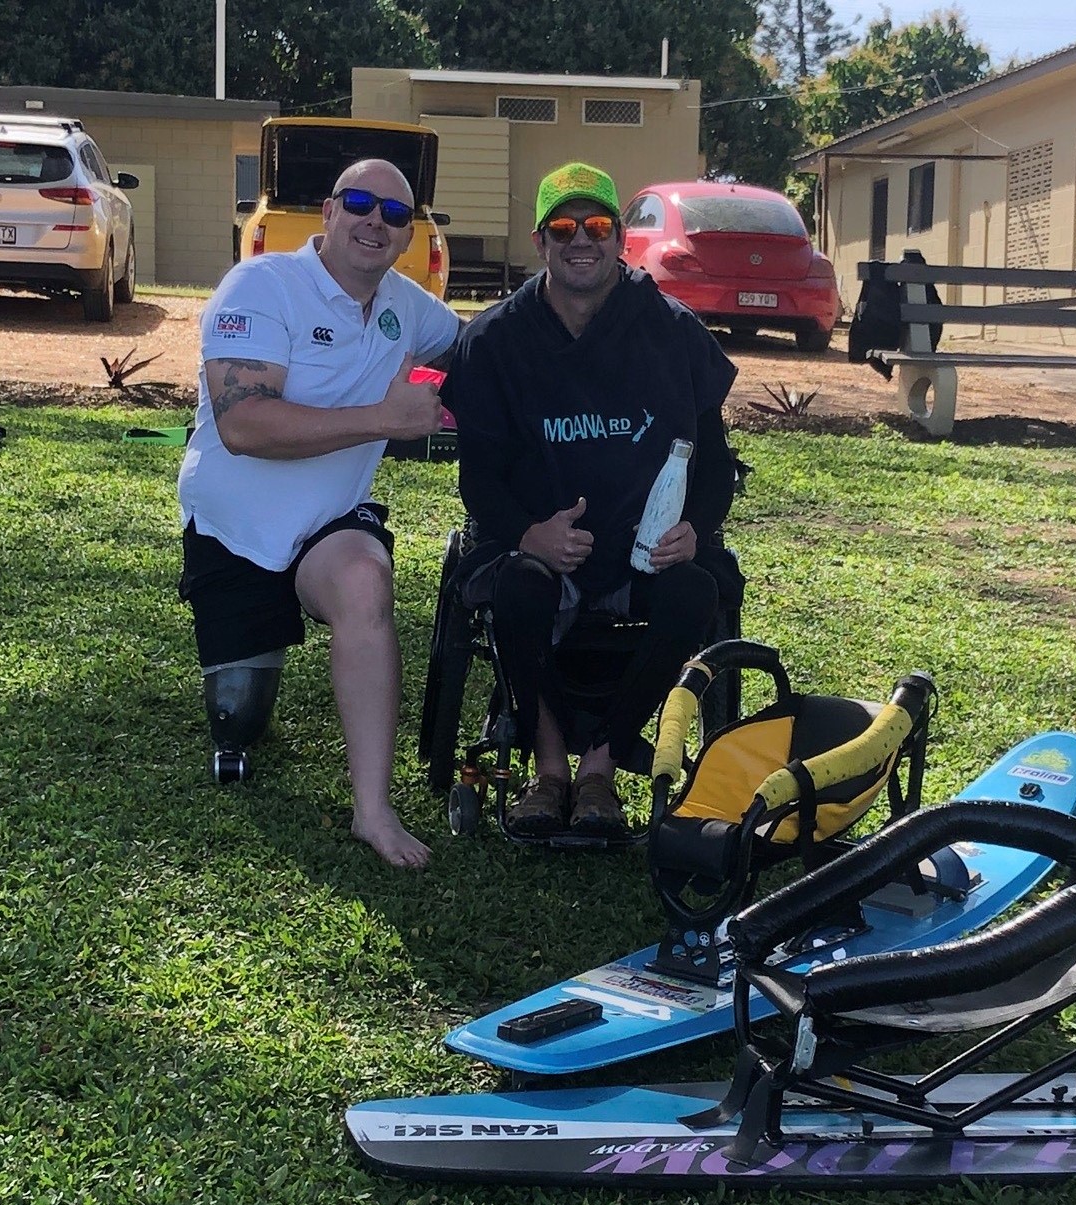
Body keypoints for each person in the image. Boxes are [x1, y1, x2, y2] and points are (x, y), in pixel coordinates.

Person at [440, 162, 741, 839]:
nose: (583, 240)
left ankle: (600, 764)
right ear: (540, 241)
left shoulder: (671, 330)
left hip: (644, 551)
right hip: (540, 551)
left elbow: (718, 467)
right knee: (516, 588)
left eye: (598, 226)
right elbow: (478, 478)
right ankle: (549, 770)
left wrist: (695, 528)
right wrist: (527, 532)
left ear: (620, 240)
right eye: (565, 228)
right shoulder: (494, 341)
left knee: (695, 594)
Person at [177, 158, 460, 868]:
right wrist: (383, 419)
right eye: (361, 203)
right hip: (233, 531)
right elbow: (244, 427)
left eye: (396, 214)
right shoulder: (262, 286)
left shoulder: (408, 306)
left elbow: (488, 344)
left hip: (330, 528)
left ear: (408, 235)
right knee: (238, 719)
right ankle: (245, 667)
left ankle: (373, 810)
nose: (376, 221)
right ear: (329, 212)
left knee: (367, 581)